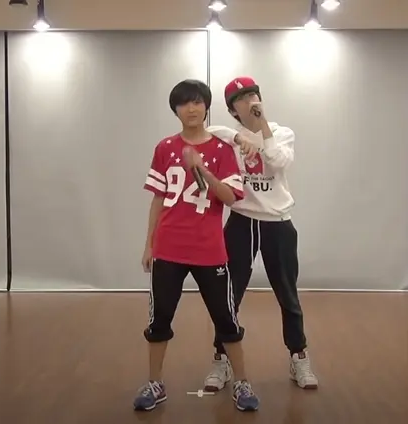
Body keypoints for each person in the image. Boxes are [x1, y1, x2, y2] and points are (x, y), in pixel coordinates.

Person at [134, 79, 259, 412]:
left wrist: (202, 169)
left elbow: (230, 197)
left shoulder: (222, 150)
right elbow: (158, 199)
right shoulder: (164, 147)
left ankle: (242, 382)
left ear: (206, 107)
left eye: (197, 102)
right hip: (168, 249)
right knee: (159, 320)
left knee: (226, 320)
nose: (191, 108)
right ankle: (154, 383)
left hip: (209, 250)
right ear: (175, 110)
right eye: (183, 103)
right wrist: (149, 244)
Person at [203, 76, 319, 391]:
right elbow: (207, 134)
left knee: (287, 294)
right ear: (233, 110)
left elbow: (279, 161)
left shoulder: (281, 133)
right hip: (241, 222)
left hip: (277, 223)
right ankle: (222, 358)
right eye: (242, 98)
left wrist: (262, 127)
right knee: (229, 296)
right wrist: (238, 136)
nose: (250, 100)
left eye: (253, 94)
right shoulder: (229, 136)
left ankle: (298, 356)